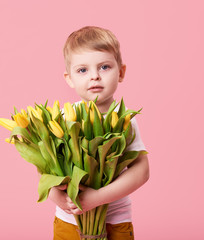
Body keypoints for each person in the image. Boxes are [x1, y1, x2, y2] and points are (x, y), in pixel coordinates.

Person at [49, 26, 150, 240]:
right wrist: (55, 195)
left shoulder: (124, 120)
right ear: (69, 78)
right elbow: (46, 168)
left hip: (115, 221)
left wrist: (97, 198)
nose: (94, 76)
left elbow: (141, 171)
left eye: (104, 67)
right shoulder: (63, 117)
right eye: (83, 70)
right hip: (69, 222)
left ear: (121, 72)